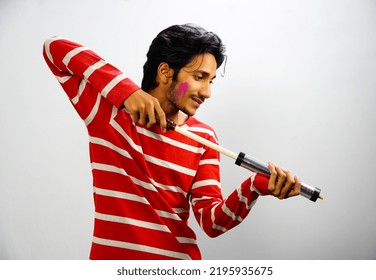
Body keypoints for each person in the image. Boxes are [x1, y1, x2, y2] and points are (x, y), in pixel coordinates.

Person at [43, 23, 301, 260]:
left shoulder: (204, 138)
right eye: (199, 77)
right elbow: (54, 47)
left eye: (211, 81)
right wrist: (127, 92)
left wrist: (255, 186)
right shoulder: (109, 113)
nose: (207, 93)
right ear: (165, 71)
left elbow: (212, 223)